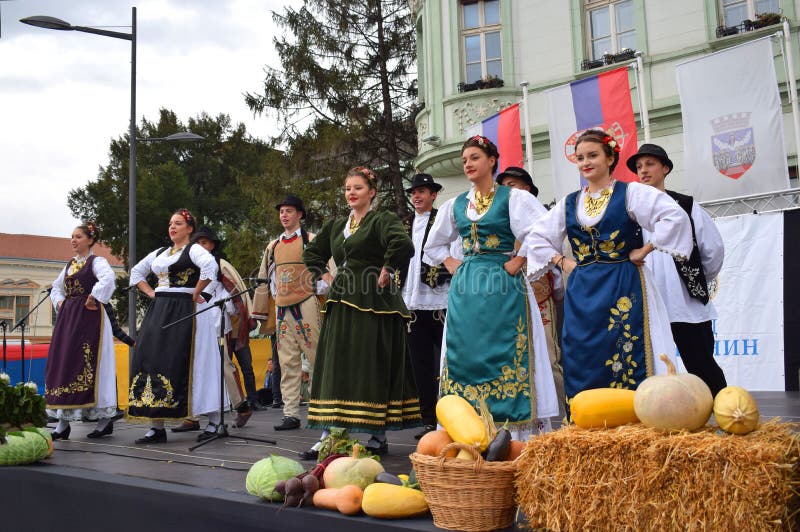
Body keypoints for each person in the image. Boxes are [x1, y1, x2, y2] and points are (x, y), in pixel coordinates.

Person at [524, 130, 694, 412]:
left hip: (623, 282)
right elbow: (537, 237)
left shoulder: (631, 193)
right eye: (580, 158)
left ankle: (635, 416)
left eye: (592, 155)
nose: (585, 163)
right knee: (581, 352)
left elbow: (673, 216)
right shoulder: (569, 202)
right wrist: (562, 262)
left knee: (625, 346)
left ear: (610, 157)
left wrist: (646, 249)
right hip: (583, 289)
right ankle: (586, 418)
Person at [423, 136, 559, 435]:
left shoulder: (513, 198)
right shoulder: (456, 204)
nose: (468, 164)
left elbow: (546, 231)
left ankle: (513, 428)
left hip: (503, 283)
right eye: (465, 160)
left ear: (491, 161)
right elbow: (433, 245)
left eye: (474, 158)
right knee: (466, 351)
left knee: (505, 349)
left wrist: (520, 258)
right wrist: (451, 263)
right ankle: (467, 425)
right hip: (467, 288)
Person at [300, 166, 419, 459]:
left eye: (358, 188)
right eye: (347, 189)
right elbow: (311, 253)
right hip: (342, 299)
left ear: (372, 192)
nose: (351, 193)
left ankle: (376, 436)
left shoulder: (381, 219)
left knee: (371, 363)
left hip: (374, 299)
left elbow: (403, 243)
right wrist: (327, 278)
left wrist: (388, 267)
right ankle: (329, 435)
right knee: (336, 365)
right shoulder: (337, 225)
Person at [627, 144, 728, 396]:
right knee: (648, 370)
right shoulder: (631, 212)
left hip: (685, 304)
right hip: (647, 304)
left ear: (666, 168)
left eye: (649, 164)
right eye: (639, 167)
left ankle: (725, 415)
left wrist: (696, 279)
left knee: (701, 365)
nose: (643, 171)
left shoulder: (686, 205)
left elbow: (712, 249)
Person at [128, 208, 222, 444]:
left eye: (178, 224)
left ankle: (214, 420)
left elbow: (211, 268)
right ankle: (156, 425)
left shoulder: (195, 249)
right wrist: (151, 292)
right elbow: (136, 272)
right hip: (160, 310)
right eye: (171, 223)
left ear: (189, 229)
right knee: (151, 359)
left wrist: (197, 292)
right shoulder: (160, 253)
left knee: (196, 361)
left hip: (186, 310)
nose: (172, 227)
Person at [170, 226, 254, 432]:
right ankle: (192, 417)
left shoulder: (218, 264)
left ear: (213, 245)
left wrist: (225, 305)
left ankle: (241, 406)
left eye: (205, 243)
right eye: (197, 243)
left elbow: (235, 294)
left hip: (216, 323)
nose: (201, 247)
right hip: (191, 324)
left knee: (224, 366)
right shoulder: (186, 266)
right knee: (190, 368)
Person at [252, 195, 326, 431]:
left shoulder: (312, 241)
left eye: (289, 211)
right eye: (282, 211)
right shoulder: (272, 246)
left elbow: (327, 274)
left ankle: (319, 410)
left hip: (306, 304)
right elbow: (265, 278)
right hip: (282, 308)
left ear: (300, 214)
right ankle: (291, 414)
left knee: (316, 359)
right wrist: (264, 309)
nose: (284, 215)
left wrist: (317, 294)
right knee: (287, 362)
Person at [496, 166, 566, 414]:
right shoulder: (498, 222)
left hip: (538, 296)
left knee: (548, 355)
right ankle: (522, 412)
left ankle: (566, 413)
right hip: (506, 297)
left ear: (527, 190)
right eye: (503, 186)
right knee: (511, 356)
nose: (506, 191)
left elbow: (553, 254)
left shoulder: (540, 220)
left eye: (512, 185)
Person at [46, 222, 118, 440]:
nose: (73, 240)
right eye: (72, 237)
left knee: (93, 365)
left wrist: (94, 296)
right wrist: (60, 303)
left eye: (78, 236)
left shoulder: (97, 262)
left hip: (90, 317)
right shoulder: (69, 265)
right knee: (65, 364)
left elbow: (108, 279)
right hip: (69, 319)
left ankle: (105, 420)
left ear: (90, 239)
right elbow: (57, 287)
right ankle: (62, 422)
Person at [401, 173, 451, 439]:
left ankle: (450, 416)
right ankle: (429, 419)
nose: (417, 196)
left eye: (422, 192)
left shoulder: (443, 220)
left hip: (439, 299)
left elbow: (453, 253)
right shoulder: (406, 224)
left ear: (433, 195)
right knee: (419, 364)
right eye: (414, 192)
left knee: (445, 362)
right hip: (412, 302)